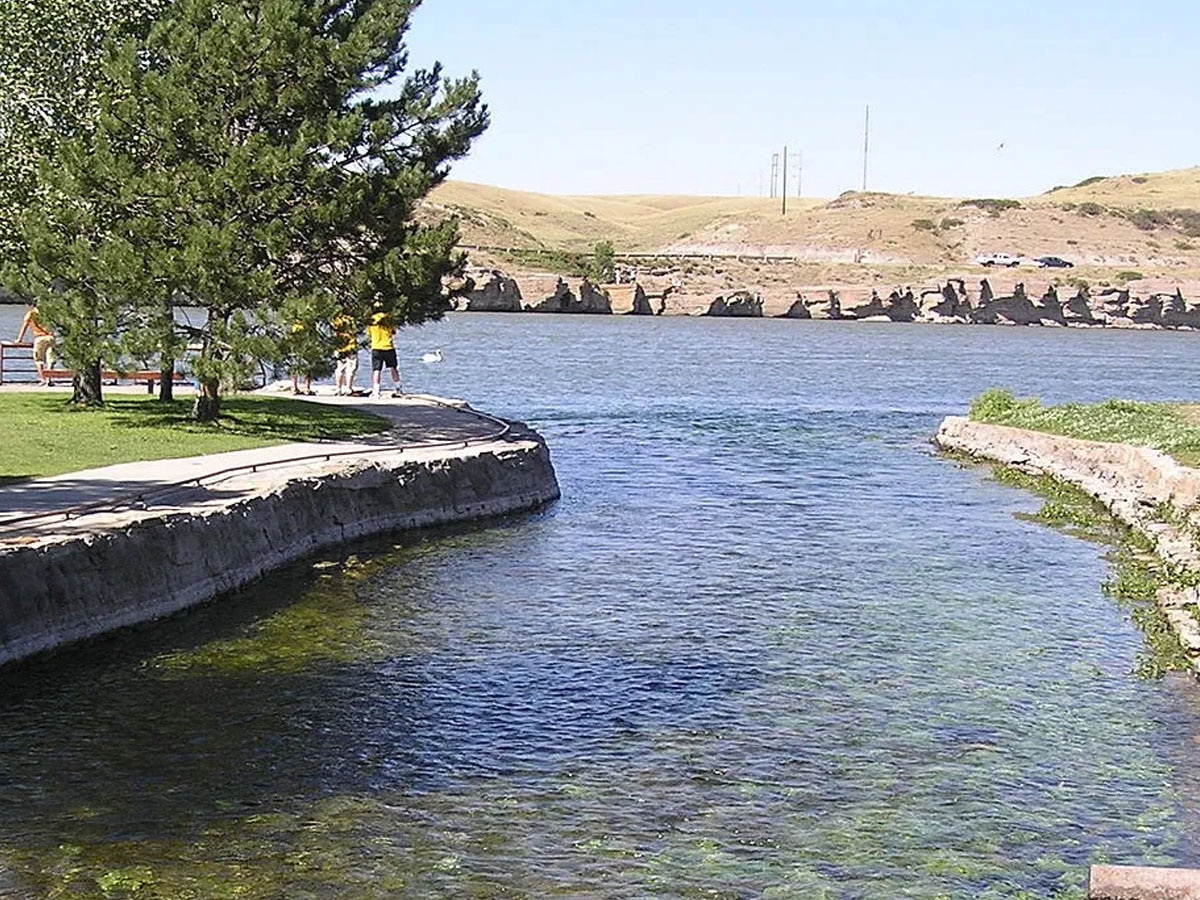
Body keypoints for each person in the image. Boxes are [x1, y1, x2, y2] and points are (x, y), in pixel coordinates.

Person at [367, 303, 402, 399]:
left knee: (376, 370)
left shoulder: (371, 320)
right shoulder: (389, 319)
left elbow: (369, 334)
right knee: (393, 368)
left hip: (376, 347)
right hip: (388, 347)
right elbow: (393, 332)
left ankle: (376, 391)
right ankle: (398, 388)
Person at [16, 305, 55, 386]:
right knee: (50, 359)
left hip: (39, 337)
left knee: (39, 360)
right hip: (50, 337)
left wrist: (19, 339)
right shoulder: (47, 313)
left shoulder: (31, 314)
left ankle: (43, 379)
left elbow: (24, 327)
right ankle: (49, 379)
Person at [331, 310, 361, 396]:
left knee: (339, 368)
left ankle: (338, 389)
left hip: (339, 346)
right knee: (350, 369)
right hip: (350, 346)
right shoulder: (351, 320)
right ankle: (348, 389)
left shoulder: (336, 320)